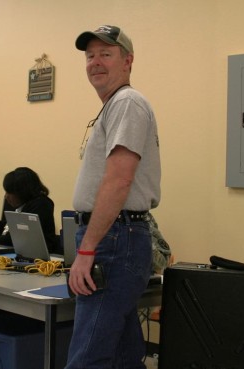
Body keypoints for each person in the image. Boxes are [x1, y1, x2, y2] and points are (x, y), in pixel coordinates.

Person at [66, 25, 161, 369]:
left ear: (128, 61)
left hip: (114, 239)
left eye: (106, 54)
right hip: (118, 237)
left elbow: (119, 180)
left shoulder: (127, 103)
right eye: (90, 56)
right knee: (122, 356)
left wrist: (87, 249)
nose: (95, 62)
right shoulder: (114, 107)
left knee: (87, 358)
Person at [0, 167, 60, 254]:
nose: (6, 196)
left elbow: (21, 237)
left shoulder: (41, 205)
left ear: (21, 192)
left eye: (9, 192)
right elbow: (5, 227)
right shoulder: (18, 203)